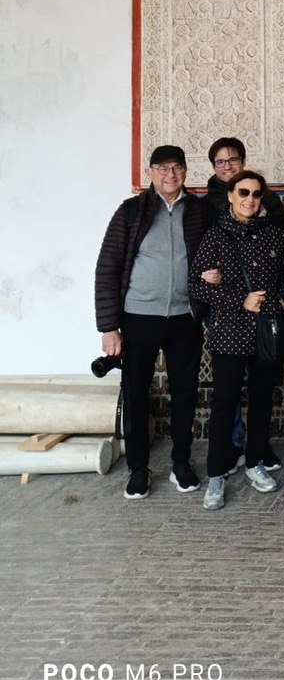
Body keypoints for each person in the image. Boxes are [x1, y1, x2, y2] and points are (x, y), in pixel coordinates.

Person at [94, 144, 207, 500]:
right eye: (162, 168)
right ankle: (138, 469)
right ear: (150, 173)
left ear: (186, 171)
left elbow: (214, 254)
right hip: (138, 316)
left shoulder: (200, 210)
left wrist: (214, 278)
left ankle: (181, 462)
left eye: (177, 168)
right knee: (136, 392)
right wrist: (109, 327)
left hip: (185, 316)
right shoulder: (131, 211)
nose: (170, 175)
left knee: (185, 392)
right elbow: (107, 268)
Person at [188, 170, 284, 510]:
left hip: (266, 331)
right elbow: (196, 285)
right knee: (224, 403)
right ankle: (217, 473)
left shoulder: (275, 235)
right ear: (231, 196)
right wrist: (239, 299)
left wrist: (280, 301)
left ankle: (254, 462)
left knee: (263, 400)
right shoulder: (216, 235)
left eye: (256, 193)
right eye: (244, 192)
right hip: (230, 333)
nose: (250, 199)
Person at [203, 137, 284, 232]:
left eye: (233, 160)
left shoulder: (269, 197)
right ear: (213, 166)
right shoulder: (205, 204)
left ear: (243, 161)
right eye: (220, 162)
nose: (227, 167)